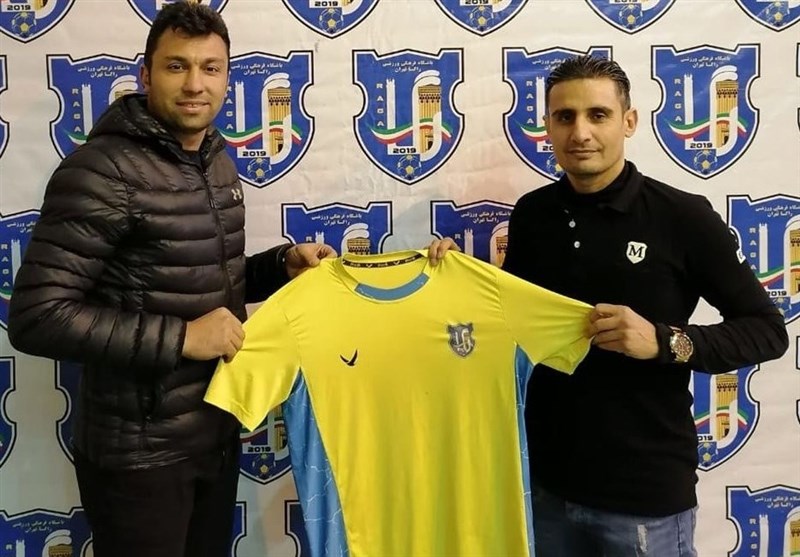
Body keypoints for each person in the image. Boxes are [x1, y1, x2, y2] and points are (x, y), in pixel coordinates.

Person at [7, 3, 334, 557]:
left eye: (210, 68)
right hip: (139, 458)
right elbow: (37, 317)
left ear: (227, 79)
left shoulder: (215, 159)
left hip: (214, 432)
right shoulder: (101, 170)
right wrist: (182, 337)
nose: (194, 84)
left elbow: (198, 278)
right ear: (146, 74)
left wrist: (281, 265)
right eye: (176, 66)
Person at [429, 55, 788, 556]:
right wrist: (453, 281)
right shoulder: (533, 214)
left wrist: (663, 341)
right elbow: (510, 321)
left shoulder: (682, 216)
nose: (580, 132)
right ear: (548, 126)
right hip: (546, 486)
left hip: (643, 496)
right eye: (565, 117)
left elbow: (768, 331)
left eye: (597, 115)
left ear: (629, 121)